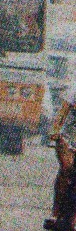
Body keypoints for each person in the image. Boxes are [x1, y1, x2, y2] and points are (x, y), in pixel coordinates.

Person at [48, 82, 76, 221]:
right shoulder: (74, 91)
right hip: (69, 139)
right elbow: (61, 113)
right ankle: (56, 212)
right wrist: (55, 130)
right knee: (66, 168)